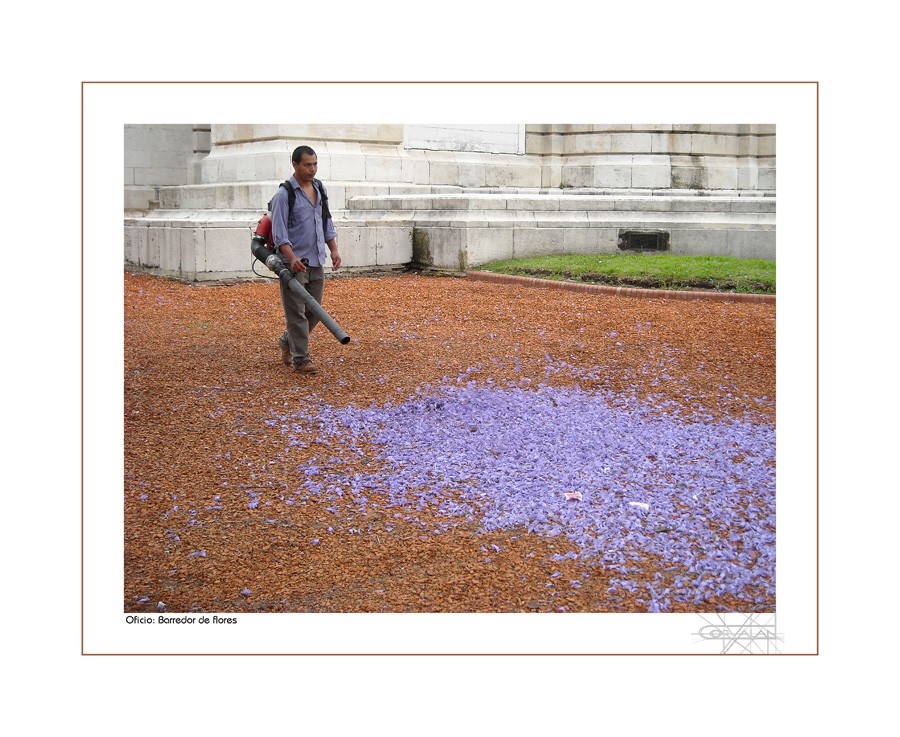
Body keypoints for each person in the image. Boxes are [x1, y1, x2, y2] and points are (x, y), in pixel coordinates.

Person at [270, 145, 342, 374]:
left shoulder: (319, 188)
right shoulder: (284, 195)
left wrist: (334, 250)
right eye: (307, 165)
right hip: (294, 265)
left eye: (315, 164)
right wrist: (290, 259)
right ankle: (301, 359)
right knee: (296, 313)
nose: (312, 169)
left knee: (315, 311)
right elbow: (279, 232)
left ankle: (286, 341)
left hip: (316, 260)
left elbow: (325, 221)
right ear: (295, 165)